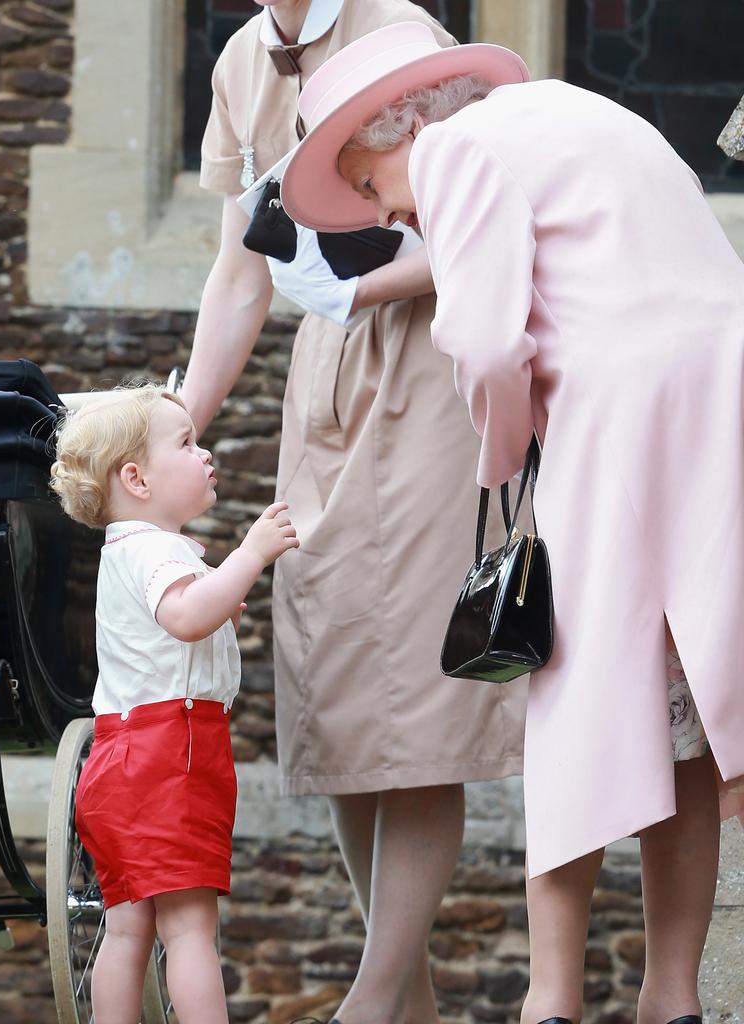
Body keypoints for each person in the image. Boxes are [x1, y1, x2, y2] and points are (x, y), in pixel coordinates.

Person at [280, 20, 744, 1024]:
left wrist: (507, 458)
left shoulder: (456, 148)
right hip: (723, 399)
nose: (381, 210)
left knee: (572, 698)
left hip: (622, 411)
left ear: (391, 125)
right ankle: (671, 1000)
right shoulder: (577, 111)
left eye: (365, 184)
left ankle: (551, 1000)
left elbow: (488, 344)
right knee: (688, 712)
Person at [181, 3, 528, 1021]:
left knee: (411, 701)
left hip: (427, 363)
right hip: (323, 393)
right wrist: (178, 416)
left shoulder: (400, 29)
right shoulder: (244, 59)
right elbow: (241, 266)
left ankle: (369, 1004)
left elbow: (483, 222)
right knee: (339, 700)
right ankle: (404, 1006)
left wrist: (362, 287)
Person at [50, 384, 298, 1024]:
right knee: (188, 930)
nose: (206, 453)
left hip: (118, 755)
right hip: (170, 758)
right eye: (187, 443)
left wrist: (220, 600)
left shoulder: (126, 552)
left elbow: (178, 629)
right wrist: (251, 555)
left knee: (127, 926)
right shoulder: (157, 548)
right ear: (135, 477)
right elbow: (187, 618)